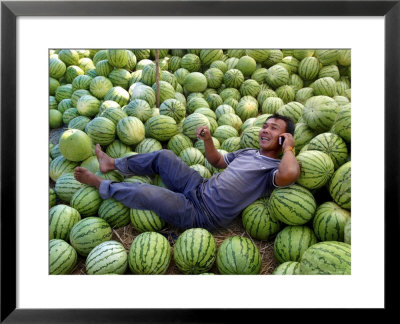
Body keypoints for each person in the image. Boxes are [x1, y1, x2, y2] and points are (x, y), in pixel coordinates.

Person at [74, 113, 300, 231]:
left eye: (274, 129)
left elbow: (290, 174)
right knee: (164, 156)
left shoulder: (273, 169)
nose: (265, 130)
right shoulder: (248, 152)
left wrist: (288, 147)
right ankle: (113, 164)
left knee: (149, 193)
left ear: (283, 138)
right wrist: (208, 140)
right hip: (199, 185)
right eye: (265, 126)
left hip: (202, 214)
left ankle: (100, 184)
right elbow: (218, 161)